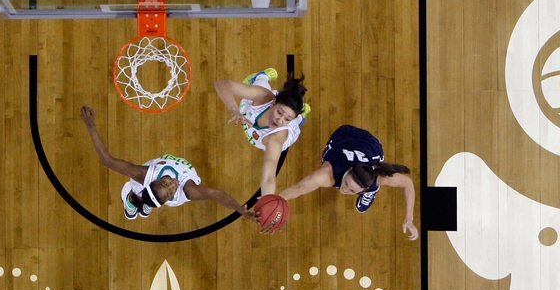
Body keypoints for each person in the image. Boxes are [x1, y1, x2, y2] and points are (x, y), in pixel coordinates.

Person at [80, 105, 257, 222]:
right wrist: (240, 210)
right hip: (149, 192)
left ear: (154, 180)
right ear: (172, 196)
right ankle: (133, 203)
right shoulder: (187, 190)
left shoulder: (144, 175)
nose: (173, 184)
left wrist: (90, 125)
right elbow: (215, 193)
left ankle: (139, 202)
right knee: (138, 196)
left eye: (166, 183)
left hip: (144, 188)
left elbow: (108, 161)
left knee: (137, 191)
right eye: (171, 190)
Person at [277, 124, 419, 240]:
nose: (344, 190)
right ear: (349, 170)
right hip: (344, 135)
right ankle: (363, 187)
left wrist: (409, 219)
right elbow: (300, 187)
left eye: (352, 191)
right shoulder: (328, 175)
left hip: (370, 145)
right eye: (345, 184)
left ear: (361, 190)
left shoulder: (378, 177)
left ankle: (371, 192)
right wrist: (276, 201)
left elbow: (407, 183)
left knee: (374, 182)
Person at [214, 68, 310, 196]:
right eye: (279, 112)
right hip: (257, 108)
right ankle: (262, 76)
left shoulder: (275, 139)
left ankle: (300, 117)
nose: (279, 120)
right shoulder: (266, 98)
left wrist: (267, 199)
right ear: (274, 103)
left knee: (297, 121)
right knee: (259, 84)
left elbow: (269, 177)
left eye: (287, 118)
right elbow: (221, 84)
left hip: (278, 134)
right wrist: (234, 110)